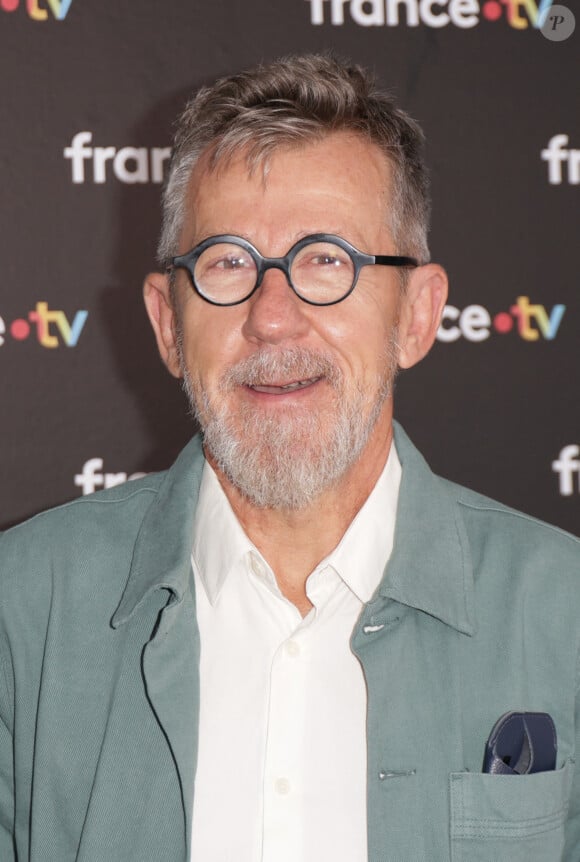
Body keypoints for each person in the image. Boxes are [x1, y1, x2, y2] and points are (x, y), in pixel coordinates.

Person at [0, 54, 579, 862]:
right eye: (228, 263)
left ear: (418, 315)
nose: (273, 319)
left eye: (326, 261)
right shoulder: (21, 611)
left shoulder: (564, 614)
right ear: (169, 325)